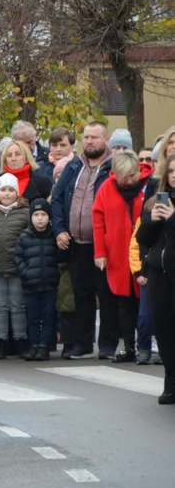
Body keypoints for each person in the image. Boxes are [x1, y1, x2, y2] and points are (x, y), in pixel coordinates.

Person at [52, 121, 114, 359]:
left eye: (94, 137)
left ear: (105, 140)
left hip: (103, 244)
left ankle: (107, 344)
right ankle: (83, 343)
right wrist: (59, 230)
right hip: (76, 243)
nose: (89, 141)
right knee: (81, 294)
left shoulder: (112, 168)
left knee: (107, 294)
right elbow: (56, 199)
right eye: (86, 137)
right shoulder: (73, 166)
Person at [93, 150, 151, 363]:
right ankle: (128, 347)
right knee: (123, 303)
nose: (130, 180)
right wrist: (100, 252)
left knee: (143, 302)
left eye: (133, 174)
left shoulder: (148, 185)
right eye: (125, 176)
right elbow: (98, 221)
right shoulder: (106, 188)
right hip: (116, 252)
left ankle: (146, 345)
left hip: (141, 252)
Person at [135, 154, 175, 402]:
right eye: (171, 171)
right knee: (164, 330)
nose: (174, 176)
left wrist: (173, 219)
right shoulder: (158, 200)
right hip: (159, 274)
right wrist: (153, 220)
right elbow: (142, 238)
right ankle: (170, 382)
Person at [0, 173, 31, 359]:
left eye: (11, 190)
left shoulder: (25, 213)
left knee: (18, 305)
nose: (7, 193)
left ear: (17, 193)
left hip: (18, 268)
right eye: (3, 190)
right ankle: (1, 343)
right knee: (0, 306)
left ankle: (20, 341)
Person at [16, 198, 65, 361]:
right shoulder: (24, 237)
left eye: (43, 214)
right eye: (36, 214)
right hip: (30, 285)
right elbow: (18, 258)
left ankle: (44, 346)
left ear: (49, 217)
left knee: (48, 316)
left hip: (50, 285)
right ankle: (33, 345)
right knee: (33, 318)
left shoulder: (54, 236)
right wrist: (26, 272)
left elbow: (61, 257)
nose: (39, 218)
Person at [0, 139, 53, 205]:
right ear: (5, 160)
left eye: (18, 154)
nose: (13, 159)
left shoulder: (42, 184)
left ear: (26, 158)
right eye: (9, 155)